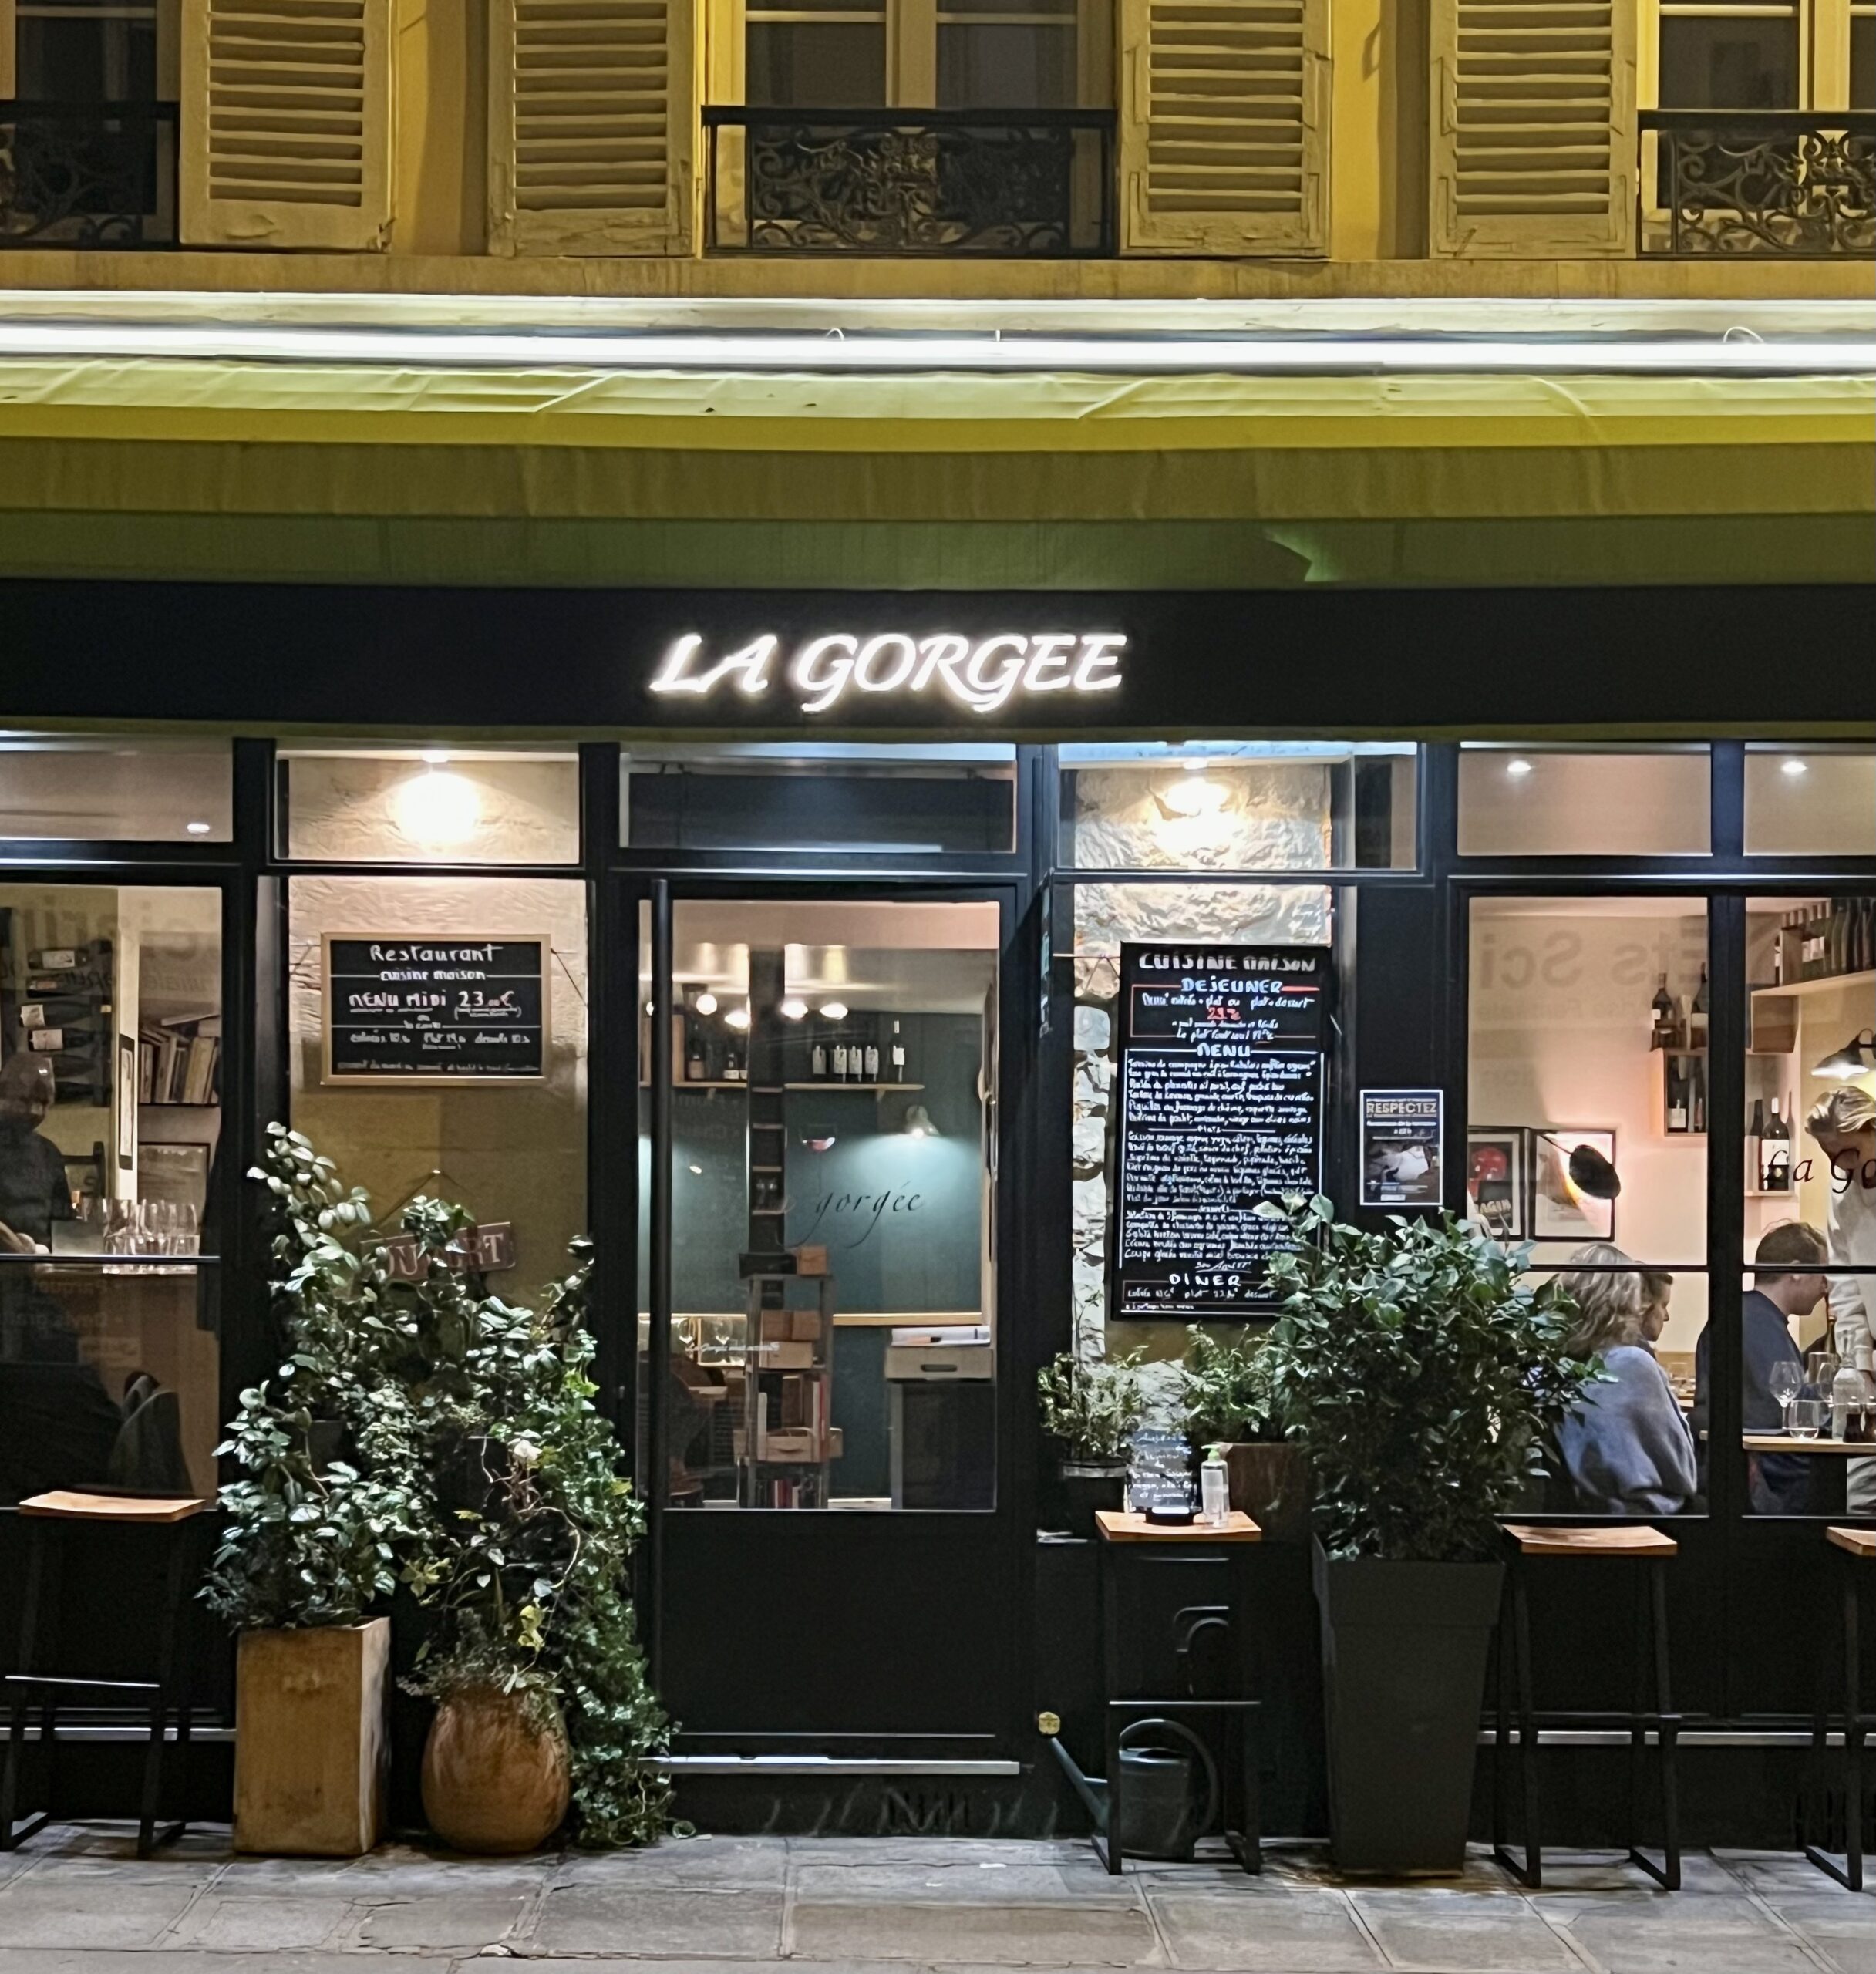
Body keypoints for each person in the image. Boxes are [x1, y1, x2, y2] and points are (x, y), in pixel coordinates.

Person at [0, 1052, 120, 1499]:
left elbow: (65, 1224)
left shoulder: (48, 1154)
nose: (34, 1111)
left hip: (36, 1291)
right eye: (23, 1099)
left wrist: (51, 1250)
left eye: (44, 1102)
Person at [1690, 1221, 1827, 1516]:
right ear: (1796, 1271)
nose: (1826, 1285)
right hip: (1762, 1489)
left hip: (1732, 1474)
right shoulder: (1757, 1324)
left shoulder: (1744, 1314)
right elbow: (1781, 1411)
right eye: (1822, 1272)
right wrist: (1839, 1397)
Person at [1551, 1244, 1698, 1517]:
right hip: (1637, 1518)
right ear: (1625, 1303)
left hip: (1574, 1516)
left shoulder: (1549, 1364)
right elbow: (1681, 1472)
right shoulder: (1632, 1364)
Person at [1807, 1086, 1876, 1512]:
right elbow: (1846, 1287)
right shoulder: (1842, 1193)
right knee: (1857, 1498)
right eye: (1830, 1155)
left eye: (1848, 1152)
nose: (1840, 1165)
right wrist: (1861, 1367)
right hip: (1868, 1362)